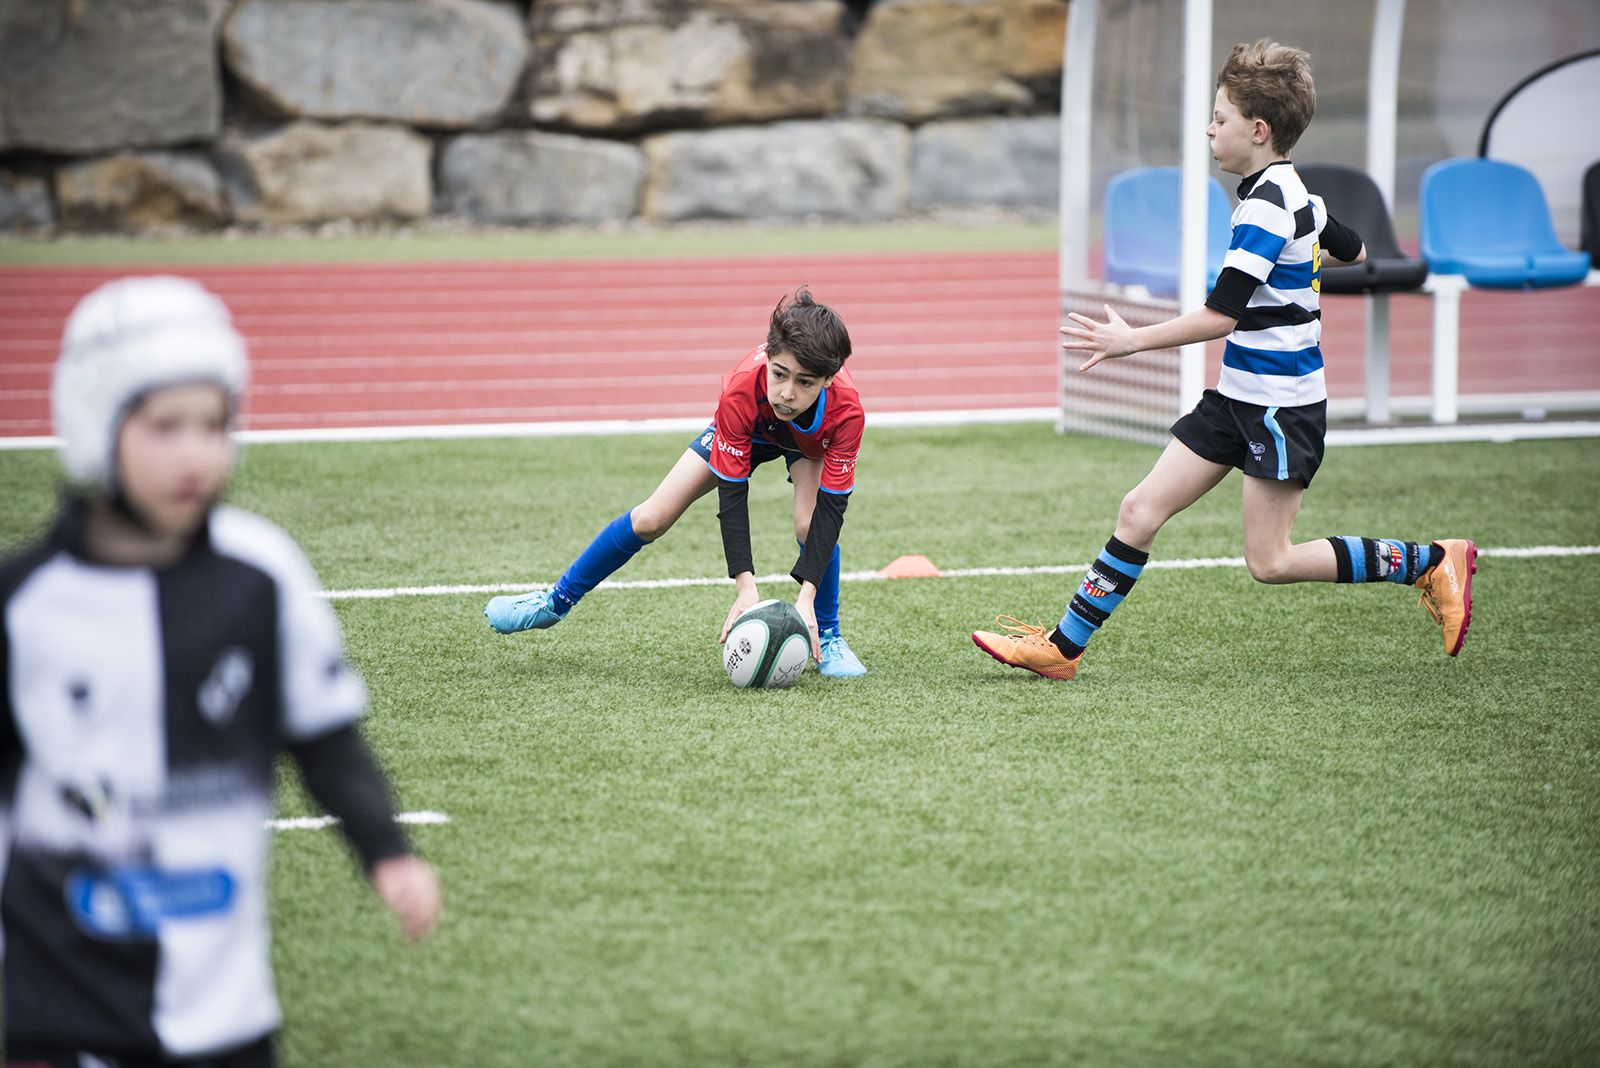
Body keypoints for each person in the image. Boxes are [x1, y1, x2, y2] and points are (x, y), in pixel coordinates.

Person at [0, 276, 442, 1066]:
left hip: (226, 1009)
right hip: (57, 1006)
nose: (195, 453)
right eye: (165, 426)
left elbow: (325, 737)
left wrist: (387, 852)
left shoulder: (262, 574)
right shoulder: (26, 606)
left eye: (214, 424)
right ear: (96, 423)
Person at [973, 40, 1476, 681]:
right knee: (1139, 510)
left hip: (1279, 408)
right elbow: (1352, 248)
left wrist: (1130, 340)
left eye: (1220, 118)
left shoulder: (1268, 205)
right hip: (1237, 395)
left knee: (1271, 561)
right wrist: (1313, 241)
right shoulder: (1289, 191)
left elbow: (1222, 315)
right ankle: (1062, 648)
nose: (1210, 129)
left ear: (1258, 130)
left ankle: (1430, 563)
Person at [485, 287, 868, 678]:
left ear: (828, 379)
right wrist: (745, 588)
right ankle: (554, 602)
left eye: (805, 383)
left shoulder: (847, 411)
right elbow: (733, 496)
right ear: (768, 359)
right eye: (779, 375)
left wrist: (807, 598)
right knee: (652, 516)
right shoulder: (741, 390)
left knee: (809, 522)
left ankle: (831, 637)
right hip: (751, 431)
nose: (787, 393)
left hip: (809, 445)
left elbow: (832, 510)